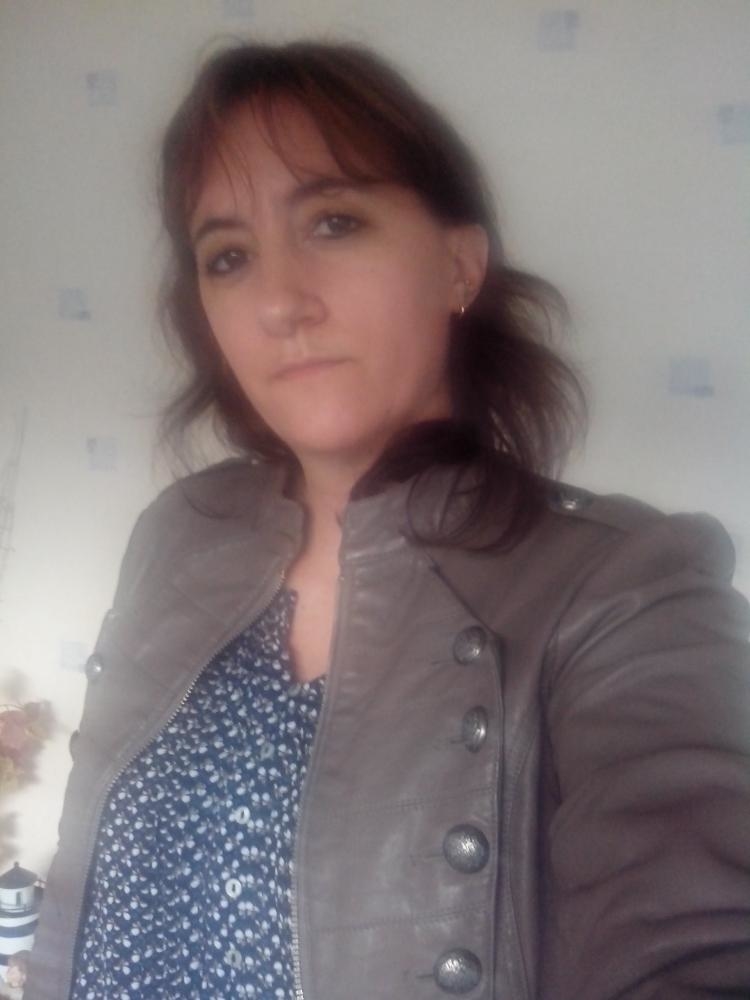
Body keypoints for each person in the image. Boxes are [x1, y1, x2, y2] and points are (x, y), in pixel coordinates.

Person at [27, 40, 750, 1000]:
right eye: (229, 256)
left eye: (334, 222)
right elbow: (79, 885)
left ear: (459, 266)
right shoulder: (178, 533)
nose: (280, 302)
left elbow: (694, 938)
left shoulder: (624, 590)